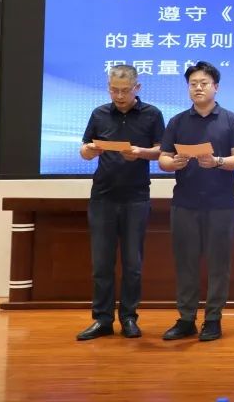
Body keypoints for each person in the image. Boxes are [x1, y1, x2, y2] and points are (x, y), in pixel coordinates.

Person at [158, 61, 234, 342]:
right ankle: (186, 319)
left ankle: (213, 319)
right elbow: (163, 159)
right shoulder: (177, 121)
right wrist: (174, 162)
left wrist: (217, 161)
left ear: (215, 87)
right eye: (193, 84)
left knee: (219, 264)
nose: (198, 88)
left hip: (220, 204)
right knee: (185, 263)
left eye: (204, 83)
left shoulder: (231, 120)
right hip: (184, 203)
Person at [75, 64, 164, 340]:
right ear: (108, 87)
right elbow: (84, 151)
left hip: (136, 197)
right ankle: (102, 319)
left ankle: (128, 317)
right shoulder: (99, 114)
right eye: (114, 90)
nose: (120, 96)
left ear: (137, 88)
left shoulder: (152, 114)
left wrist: (141, 152)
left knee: (132, 264)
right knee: (101, 264)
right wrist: (90, 150)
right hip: (103, 196)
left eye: (125, 90)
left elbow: (162, 151)